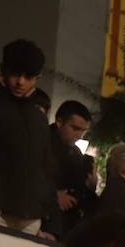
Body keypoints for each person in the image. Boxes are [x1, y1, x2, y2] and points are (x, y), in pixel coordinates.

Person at [0, 39, 55, 236]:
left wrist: (46, 216)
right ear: (3, 70)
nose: (20, 82)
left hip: (31, 215)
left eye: (28, 76)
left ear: (37, 78)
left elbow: (45, 167)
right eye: (15, 74)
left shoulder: (38, 117)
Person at [47, 100, 97, 239]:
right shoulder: (42, 143)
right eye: (75, 128)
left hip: (65, 222)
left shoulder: (75, 153)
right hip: (45, 218)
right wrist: (53, 196)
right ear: (59, 122)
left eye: (83, 131)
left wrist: (90, 186)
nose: (79, 136)